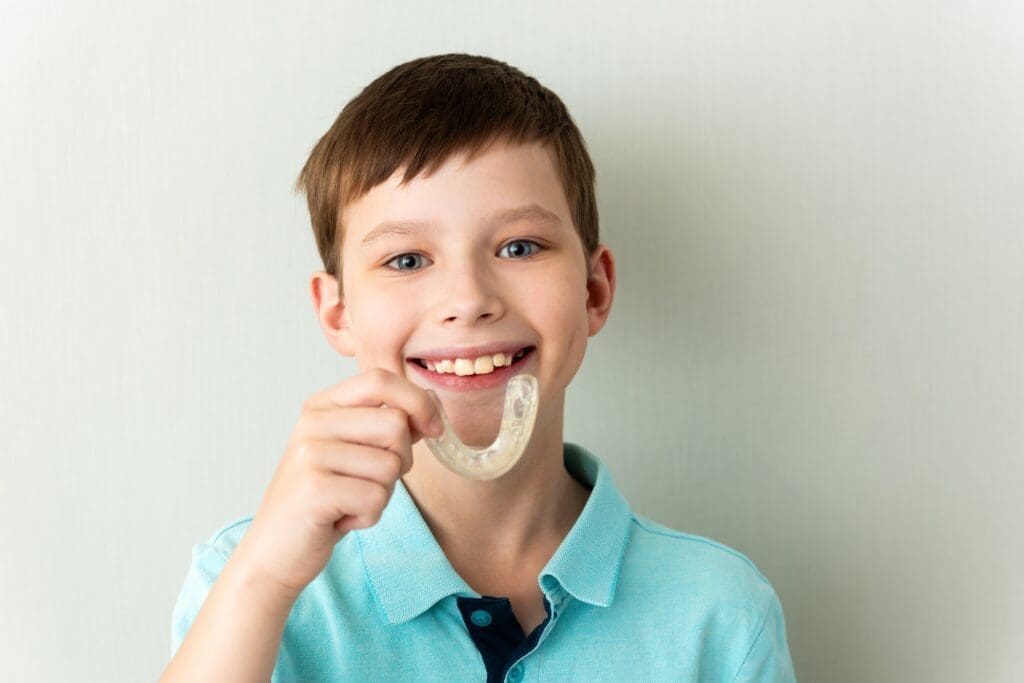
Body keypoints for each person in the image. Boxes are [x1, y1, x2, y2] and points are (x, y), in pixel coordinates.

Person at [161, 52, 796, 682]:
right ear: (338, 313)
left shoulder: (720, 614)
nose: (467, 301)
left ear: (593, 290)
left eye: (520, 247)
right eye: (407, 260)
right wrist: (265, 579)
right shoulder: (247, 582)